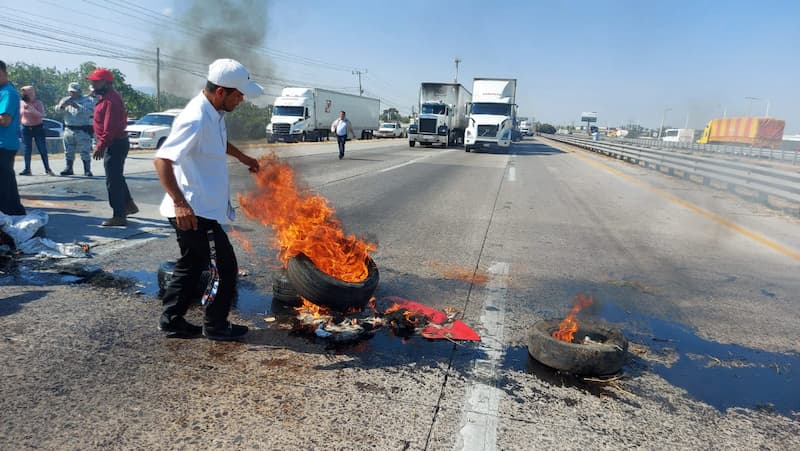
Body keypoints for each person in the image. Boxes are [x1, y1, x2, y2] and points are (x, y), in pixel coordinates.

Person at [153, 58, 262, 341]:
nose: (242, 100)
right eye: (239, 94)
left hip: (200, 208)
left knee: (191, 265)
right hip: (194, 211)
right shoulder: (196, 117)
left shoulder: (214, 114)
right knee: (225, 268)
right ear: (221, 92)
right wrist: (179, 203)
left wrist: (243, 157)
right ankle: (215, 325)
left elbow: (216, 142)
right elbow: (162, 159)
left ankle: (172, 320)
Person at [86, 68, 137, 227]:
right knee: (117, 177)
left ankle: (119, 216)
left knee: (112, 181)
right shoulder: (106, 97)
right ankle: (128, 205)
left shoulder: (110, 100)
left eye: (96, 81)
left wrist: (100, 146)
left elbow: (110, 127)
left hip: (114, 143)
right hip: (115, 142)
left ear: (106, 83)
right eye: (92, 81)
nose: (93, 84)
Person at [0, 60, 26, 216]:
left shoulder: (7, 92)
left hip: (4, 145)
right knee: (6, 185)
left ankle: (14, 215)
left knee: (5, 187)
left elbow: (5, 120)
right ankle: (14, 214)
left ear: (4, 73)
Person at [57, 82, 95, 176]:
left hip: (82, 129)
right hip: (69, 129)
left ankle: (87, 170)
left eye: (74, 92)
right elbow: (57, 110)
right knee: (68, 150)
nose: (72, 94)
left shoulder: (87, 100)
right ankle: (69, 168)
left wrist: (78, 106)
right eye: (70, 92)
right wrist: (62, 106)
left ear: (79, 91)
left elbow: (90, 112)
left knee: (85, 151)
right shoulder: (65, 99)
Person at [18, 85, 54, 176]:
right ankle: (27, 169)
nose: (24, 95)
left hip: (37, 127)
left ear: (31, 94)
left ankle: (47, 169)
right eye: (23, 93)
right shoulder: (21, 103)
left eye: (26, 93)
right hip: (25, 128)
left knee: (42, 148)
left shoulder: (38, 103)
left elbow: (42, 115)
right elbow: (19, 115)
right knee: (27, 149)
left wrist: (33, 110)